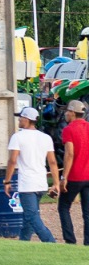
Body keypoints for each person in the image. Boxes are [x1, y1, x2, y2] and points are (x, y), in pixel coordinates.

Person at [3, 106, 60, 243]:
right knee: (28, 216)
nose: (19, 120)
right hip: (41, 183)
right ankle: (23, 243)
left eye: (21, 117)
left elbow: (12, 160)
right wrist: (56, 183)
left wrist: (7, 181)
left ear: (27, 119)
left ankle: (50, 242)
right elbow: (52, 162)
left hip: (27, 184)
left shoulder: (18, 137)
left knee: (32, 217)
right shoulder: (46, 138)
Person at [57, 99, 89, 245]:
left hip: (76, 175)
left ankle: (70, 241)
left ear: (72, 113)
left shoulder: (68, 129)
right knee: (87, 212)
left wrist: (64, 177)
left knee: (63, 206)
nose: (65, 114)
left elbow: (69, 154)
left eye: (67, 111)